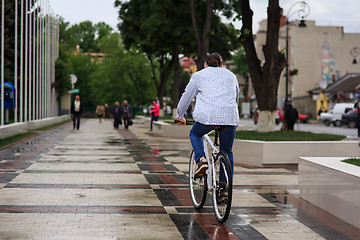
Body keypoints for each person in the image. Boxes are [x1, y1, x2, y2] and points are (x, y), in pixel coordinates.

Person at [175, 53, 239, 200]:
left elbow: (187, 96)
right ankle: (224, 190)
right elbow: (236, 97)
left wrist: (180, 115)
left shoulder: (199, 75)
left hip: (207, 118)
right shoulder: (231, 75)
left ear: (206, 65)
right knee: (227, 152)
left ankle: (201, 160)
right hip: (229, 118)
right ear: (221, 64)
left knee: (195, 134)